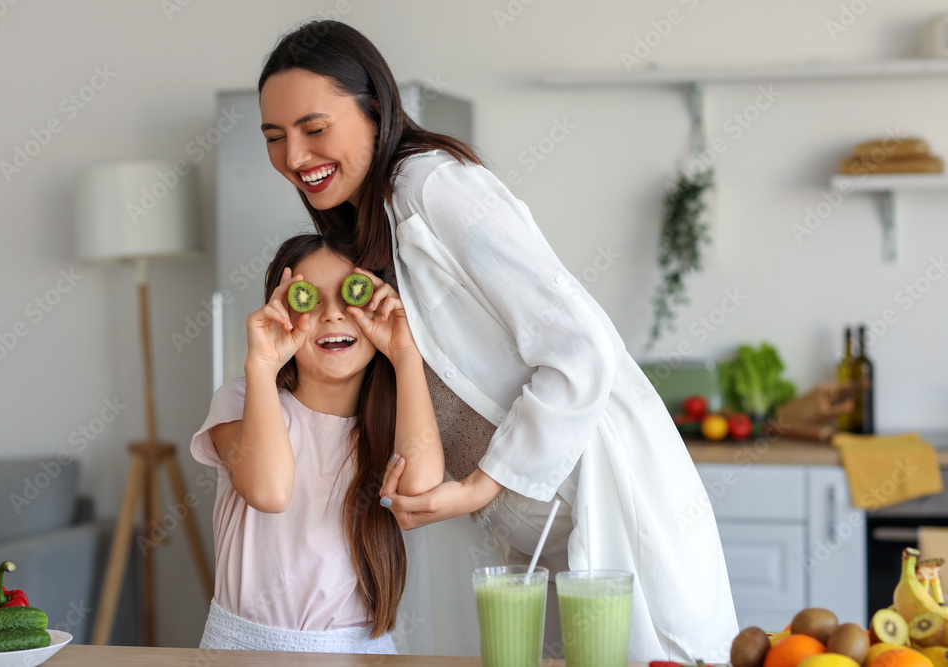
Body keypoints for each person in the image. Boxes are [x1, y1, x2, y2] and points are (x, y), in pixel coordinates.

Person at [255, 20, 739, 661]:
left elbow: (581, 342)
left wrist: (482, 486)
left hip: (607, 504)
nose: (293, 157)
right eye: (274, 137)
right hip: (539, 537)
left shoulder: (429, 186)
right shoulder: (366, 226)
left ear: (375, 108)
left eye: (314, 129)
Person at [190, 233, 445, 653]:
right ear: (283, 311)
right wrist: (262, 364)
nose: (332, 315)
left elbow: (419, 490)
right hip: (242, 649)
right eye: (309, 298)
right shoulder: (243, 399)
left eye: (351, 297)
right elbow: (269, 492)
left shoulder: (392, 422)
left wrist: (405, 353)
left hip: (357, 650)